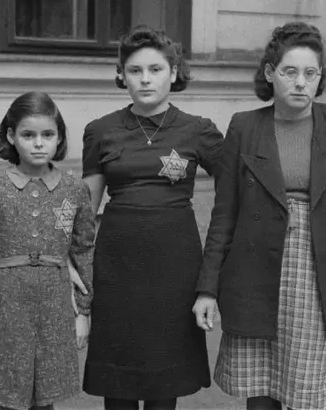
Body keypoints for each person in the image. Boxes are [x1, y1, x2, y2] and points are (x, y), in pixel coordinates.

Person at [193, 22, 326, 410]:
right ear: (269, 73)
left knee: (310, 390)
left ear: (319, 77)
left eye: (310, 74)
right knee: (262, 390)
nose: (300, 83)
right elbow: (225, 214)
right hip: (256, 270)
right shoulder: (245, 126)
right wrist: (207, 288)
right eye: (289, 72)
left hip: (318, 271)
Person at [81, 25, 224, 410]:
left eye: (156, 69)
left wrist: (212, 275)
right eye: (134, 70)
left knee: (165, 383)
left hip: (175, 268)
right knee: (119, 383)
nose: (145, 79)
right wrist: (70, 262)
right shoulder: (100, 131)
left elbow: (236, 195)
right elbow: (85, 208)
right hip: (117, 267)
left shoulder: (199, 130)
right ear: (122, 75)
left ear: (174, 73)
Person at [0, 91, 95, 410]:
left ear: (59, 137)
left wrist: (84, 312)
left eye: (47, 134)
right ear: (12, 136)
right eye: (28, 135)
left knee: (46, 396)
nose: (39, 143)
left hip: (55, 304)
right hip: (8, 304)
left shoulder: (74, 189)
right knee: (11, 395)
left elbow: (83, 252)